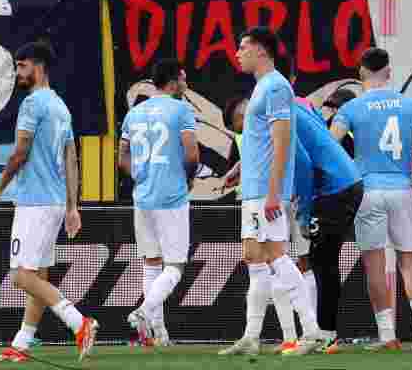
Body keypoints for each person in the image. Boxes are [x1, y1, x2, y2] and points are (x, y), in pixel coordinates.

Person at [0, 42, 98, 362]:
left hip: (34, 202)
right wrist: (73, 205)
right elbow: (71, 157)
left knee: (21, 276)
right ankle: (22, 343)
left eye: (22, 66)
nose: (18, 72)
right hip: (55, 202)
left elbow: (20, 151)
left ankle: (80, 322)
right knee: (38, 275)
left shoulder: (33, 104)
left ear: (39, 67)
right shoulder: (60, 106)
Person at [329, 48, 412, 351]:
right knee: (409, 263)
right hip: (402, 190)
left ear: (361, 72)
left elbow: (330, 148)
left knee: (375, 265)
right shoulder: (409, 104)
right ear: (388, 71)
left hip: (367, 191)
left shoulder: (352, 108)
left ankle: (388, 336)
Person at [217, 27, 323, 356]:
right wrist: (239, 169)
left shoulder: (276, 86)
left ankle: (312, 331)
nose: (237, 53)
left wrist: (275, 193)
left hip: (266, 190)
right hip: (253, 187)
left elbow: (282, 143)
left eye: (242, 47)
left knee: (276, 253)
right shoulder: (262, 87)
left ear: (261, 51)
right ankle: (252, 335)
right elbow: (258, 142)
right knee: (253, 257)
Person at [118, 58, 199, 348]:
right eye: (184, 78)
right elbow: (191, 154)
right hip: (171, 195)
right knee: (174, 267)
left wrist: (139, 175)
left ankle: (158, 334)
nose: (186, 84)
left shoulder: (134, 113)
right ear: (174, 80)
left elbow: (122, 157)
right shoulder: (182, 110)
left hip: (143, 196)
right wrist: (188, 179)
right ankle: (144, 310)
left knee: (151, 263)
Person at [289, 91, 364, 355]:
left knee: (323, 262)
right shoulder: (301, 105)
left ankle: (325, 336)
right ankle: (325, 334)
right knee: (324, 261)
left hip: (336, 188)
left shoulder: (285, 115)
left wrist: (304, 215)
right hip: (345, 183)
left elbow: (304, 167)